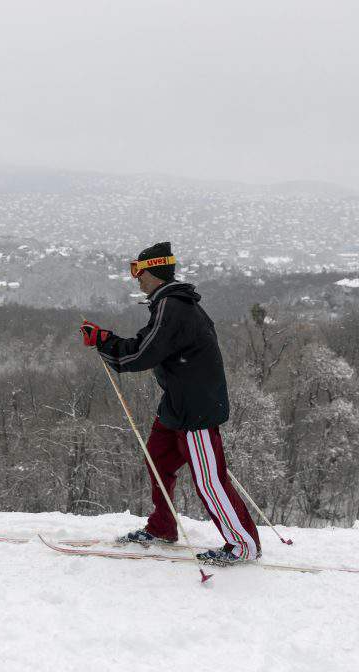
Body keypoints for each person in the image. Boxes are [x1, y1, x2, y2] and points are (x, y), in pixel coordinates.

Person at [79, 242, 261, 565]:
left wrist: (105, 343)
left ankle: (243, 543)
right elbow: (148, 345)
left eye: (140, 271)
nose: (137, 278)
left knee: (209, 480)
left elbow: (142, 353)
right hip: (177, 405)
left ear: (156, 272)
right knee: (158, 458)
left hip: (196, 410)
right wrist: (107, 341)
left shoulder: (173, 308)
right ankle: (163, 527)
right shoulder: (169, 303)